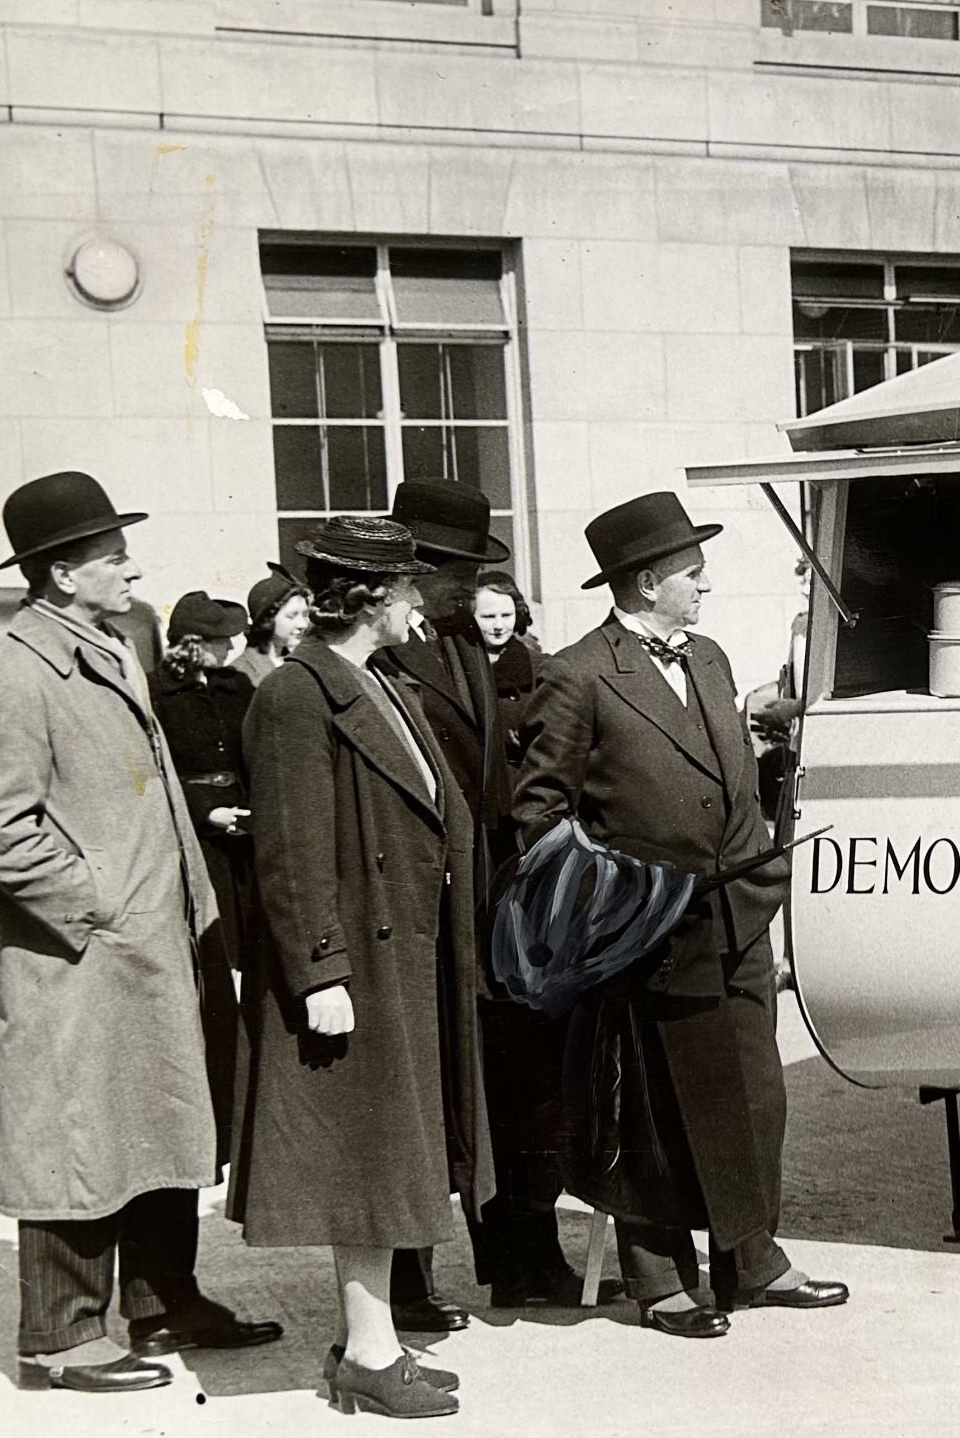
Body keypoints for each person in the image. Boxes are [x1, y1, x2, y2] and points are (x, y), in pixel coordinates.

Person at [0, 471, 282, 1395]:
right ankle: (58, 1335)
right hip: (81, 958)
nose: (128, 565)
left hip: (144, 946)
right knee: (76, 1135)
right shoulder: (20, 675)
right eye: (110, 554)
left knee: (155, 1121)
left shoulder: (100, 646)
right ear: (62, 574)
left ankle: (162, 1299)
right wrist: (96, 902)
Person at [513, 491, 847, 1340]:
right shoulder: (578, 671)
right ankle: (659, 1280)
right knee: (652, 1107)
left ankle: (753, 1258)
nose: (705, 585)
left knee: (753, 1093)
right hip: (648, 927)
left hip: (737, 909)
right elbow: (540, 810)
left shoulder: (711, 658)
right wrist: (609, 905)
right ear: (649, 579)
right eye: (693, 572)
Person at [231, 515, 493, 1419]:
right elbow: (292, 850)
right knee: (364, 1159)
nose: (422, 602)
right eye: (410, 589)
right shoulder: (300, 695)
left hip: (405, 957)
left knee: (383, 1156)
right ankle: (370, 1354)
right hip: (359, 965)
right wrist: (320, 972)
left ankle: (371, 1337)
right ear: (374, 599)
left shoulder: (377, 683)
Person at [376, 480, 581, 1315]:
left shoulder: (465, 642)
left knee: (516, 1083)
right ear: (415, 564)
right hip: (423, 904)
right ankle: (402, 1282)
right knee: (422, 1095)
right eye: (457, 566)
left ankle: (525, 1254)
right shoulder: (381, 651)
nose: (471, 585)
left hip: (495, 901)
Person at [147, 592, 258, 1171]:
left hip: (245, 844)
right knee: (211, 980)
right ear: (190, 643)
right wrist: (203, 811)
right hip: (195, 845)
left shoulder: (240, 689)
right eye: (218, 640)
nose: (231, 649)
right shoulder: (154, 693)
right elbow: (145, 780)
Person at [470, 571, 541, 769]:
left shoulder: (540, 667)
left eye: (507, 615)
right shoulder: (459, 666)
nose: (499, 625)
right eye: (488, 617)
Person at [232, 564, 308, 686]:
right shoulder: (241, 676)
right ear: (267, 619)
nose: (303, 624)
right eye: (291, 616)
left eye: (305, 614)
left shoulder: (299, 664)